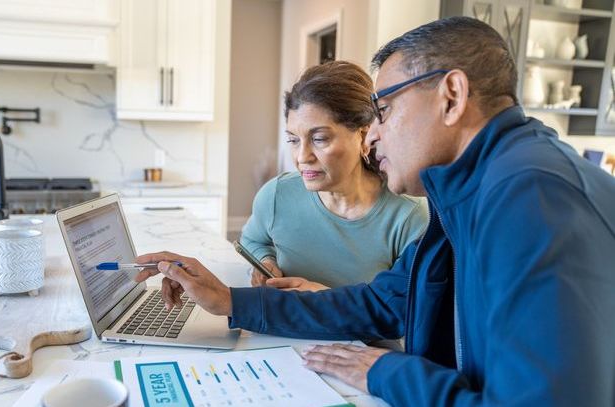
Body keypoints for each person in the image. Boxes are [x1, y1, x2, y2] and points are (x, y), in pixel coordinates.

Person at [134, 16, 615, 406]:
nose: (375, 134)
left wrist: (387, 372)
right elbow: (380, 303)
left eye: (383, 110)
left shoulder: (533, 197)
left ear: (451, 96)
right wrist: (232, 302)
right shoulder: (469, 190)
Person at [242, 61, 427, 291]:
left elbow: (406, 311)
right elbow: (252, 240)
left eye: (319, 139)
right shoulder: (276, 195)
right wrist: (265, 261)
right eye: (293, 140)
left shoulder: (408, 217)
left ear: (363, 135)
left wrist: (321, 298)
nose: (302, 157)